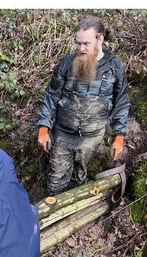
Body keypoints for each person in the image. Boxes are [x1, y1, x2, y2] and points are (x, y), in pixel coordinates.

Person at [36, 16, 130, 195]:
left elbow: (122, 103)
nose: (81, 48)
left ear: (100, 39)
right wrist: (43, 127)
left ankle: (73, 215)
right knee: (56, 178)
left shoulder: (114, 67)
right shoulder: (66, 63)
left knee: (79, 176)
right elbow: (51, 96)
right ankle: (50, 214)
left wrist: (119, 137)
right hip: (63, 131)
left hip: (92, 136)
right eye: (78, 43)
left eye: (86, 43)